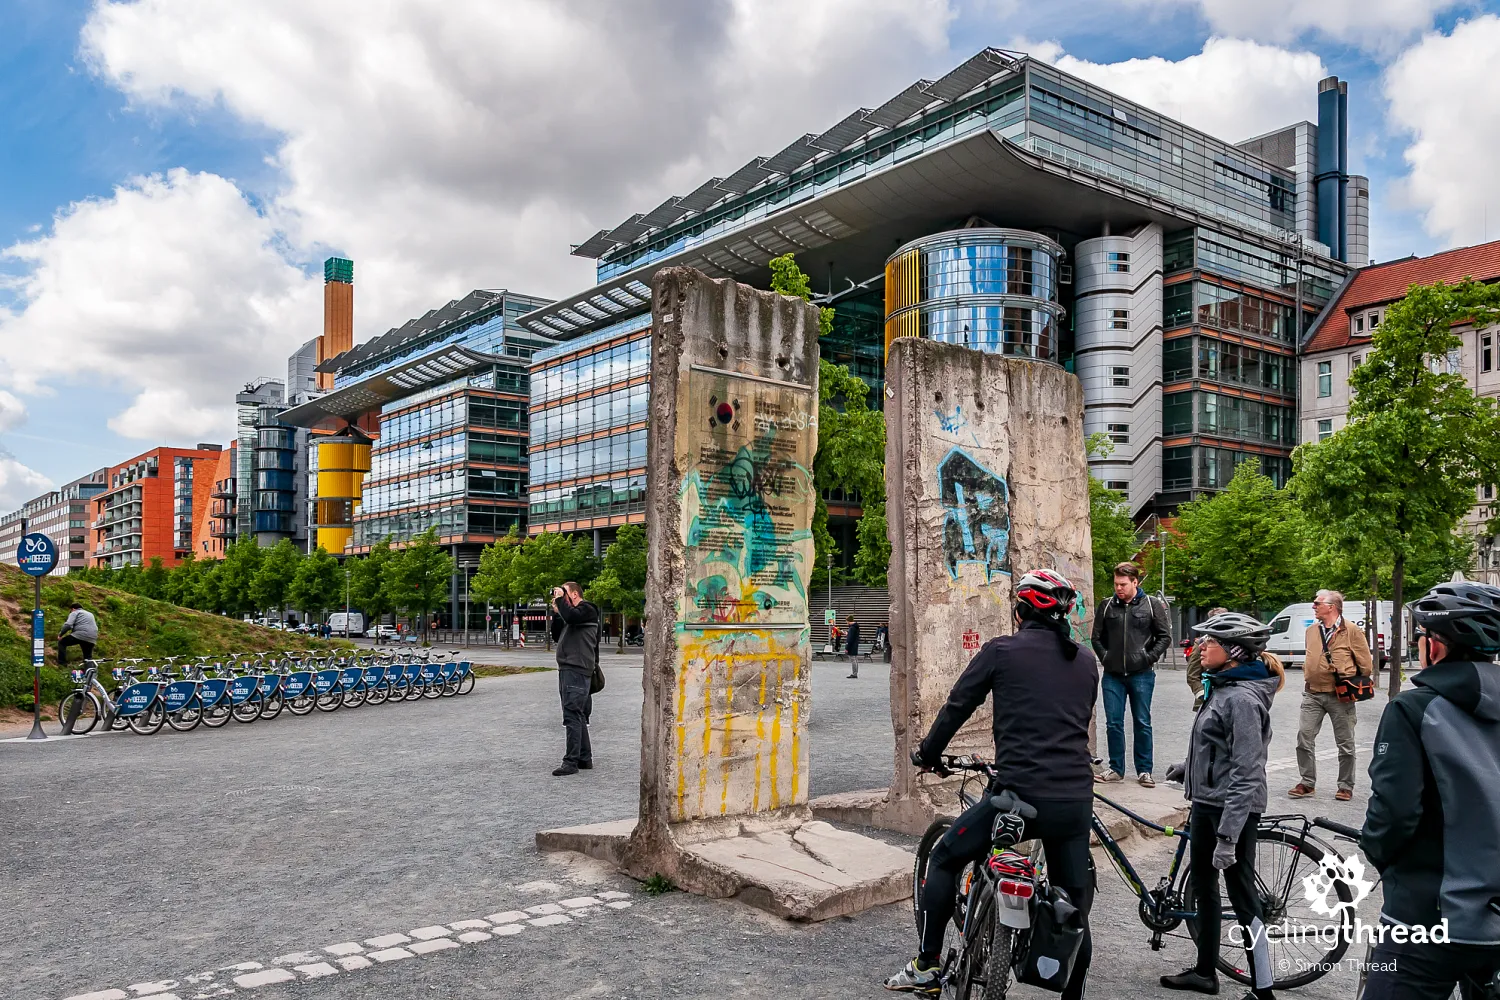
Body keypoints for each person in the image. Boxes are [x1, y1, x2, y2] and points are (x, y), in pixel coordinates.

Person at [886, 569, 1098, 999]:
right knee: (1074, 907)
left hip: (1017, 797)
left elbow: (957, 706)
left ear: (1020, 612)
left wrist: (928, 754)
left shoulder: (1001, 651)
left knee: (944, 857)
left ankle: (926, 966)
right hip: (1074, 802)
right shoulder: (1085, 661)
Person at [1359, 581, 1500, 1000]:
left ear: (1434, 646)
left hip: (1428, 915)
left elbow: (1394, 813)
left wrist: (1382, 856)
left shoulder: (1412, 709)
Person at [1161, 612, 1284, 1000]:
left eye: (1209, 642)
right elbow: (1218, 747)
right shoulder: (1222, 686)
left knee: (1242, 896)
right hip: (1208, 802)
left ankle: (1263, 989)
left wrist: (1229, 837)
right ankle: (1205, 973)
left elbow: (1247, 771)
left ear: (1233, 652)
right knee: (1203, 886)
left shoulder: (1242, 699)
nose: (1201, 647)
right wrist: (1190, 768)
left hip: (1233, 810)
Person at [1091, 561, 1171, 787]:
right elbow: (1096, 637)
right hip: (1113, 675)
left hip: (1142, 673)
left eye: (1123, 584)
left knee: (1142, 722)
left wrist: (1148, 657)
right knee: (1113, 723)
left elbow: (1164, 637)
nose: (1119, 588)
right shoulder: (1107, 605)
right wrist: (1106, 657)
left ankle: (1144, 770)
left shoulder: (1151, 605)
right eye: (1116, 584)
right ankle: (1116, 768)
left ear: (1135, 582)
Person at [1287, 589, 1371, 802]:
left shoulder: (1351, 630)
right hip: (1313, 693)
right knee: (1304, 738)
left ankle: (1345, 786)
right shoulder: (1311, 630)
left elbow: (1366, 665)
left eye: (1317, 603)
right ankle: (1307, 782)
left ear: (1331, 607)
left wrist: (1351, 682)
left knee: (1345, 743)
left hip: (1339, 696)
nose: (1313, 606)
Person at [550, 581, 600, 777]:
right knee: (577, 714)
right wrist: (557, 612)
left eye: (564, 592)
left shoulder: (587, 609)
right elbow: (556, 635)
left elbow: (571, 616)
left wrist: (561, 601)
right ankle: (584, 758)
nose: (560, 596)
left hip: (577, 669)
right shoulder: (572, 615)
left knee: (571, 714)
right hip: (569, 668)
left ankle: (570, 762)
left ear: (575, 594)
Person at [1186, 607, 1229, 712]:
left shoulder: (1233, 641)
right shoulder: (1201, 643)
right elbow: (1192, 675)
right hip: (1208, 699)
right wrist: (1202, 694)